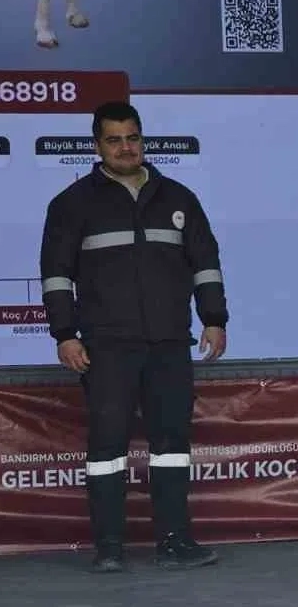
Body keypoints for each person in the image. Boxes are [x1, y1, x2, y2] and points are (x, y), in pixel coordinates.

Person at [39, 100, 227, 573]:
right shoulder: (71, 204)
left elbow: (205, 264)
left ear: (143, 140)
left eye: (133, 138)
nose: (126, 148)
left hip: (169, 343)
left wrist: (214, 318)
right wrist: (65, 334)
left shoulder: (179, 198)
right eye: (114, 140)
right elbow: (56, 276)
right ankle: (109, 547)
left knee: (171, 444)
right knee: (107, 447)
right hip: (106, 346)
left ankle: (174, 542)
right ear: (97, 146)